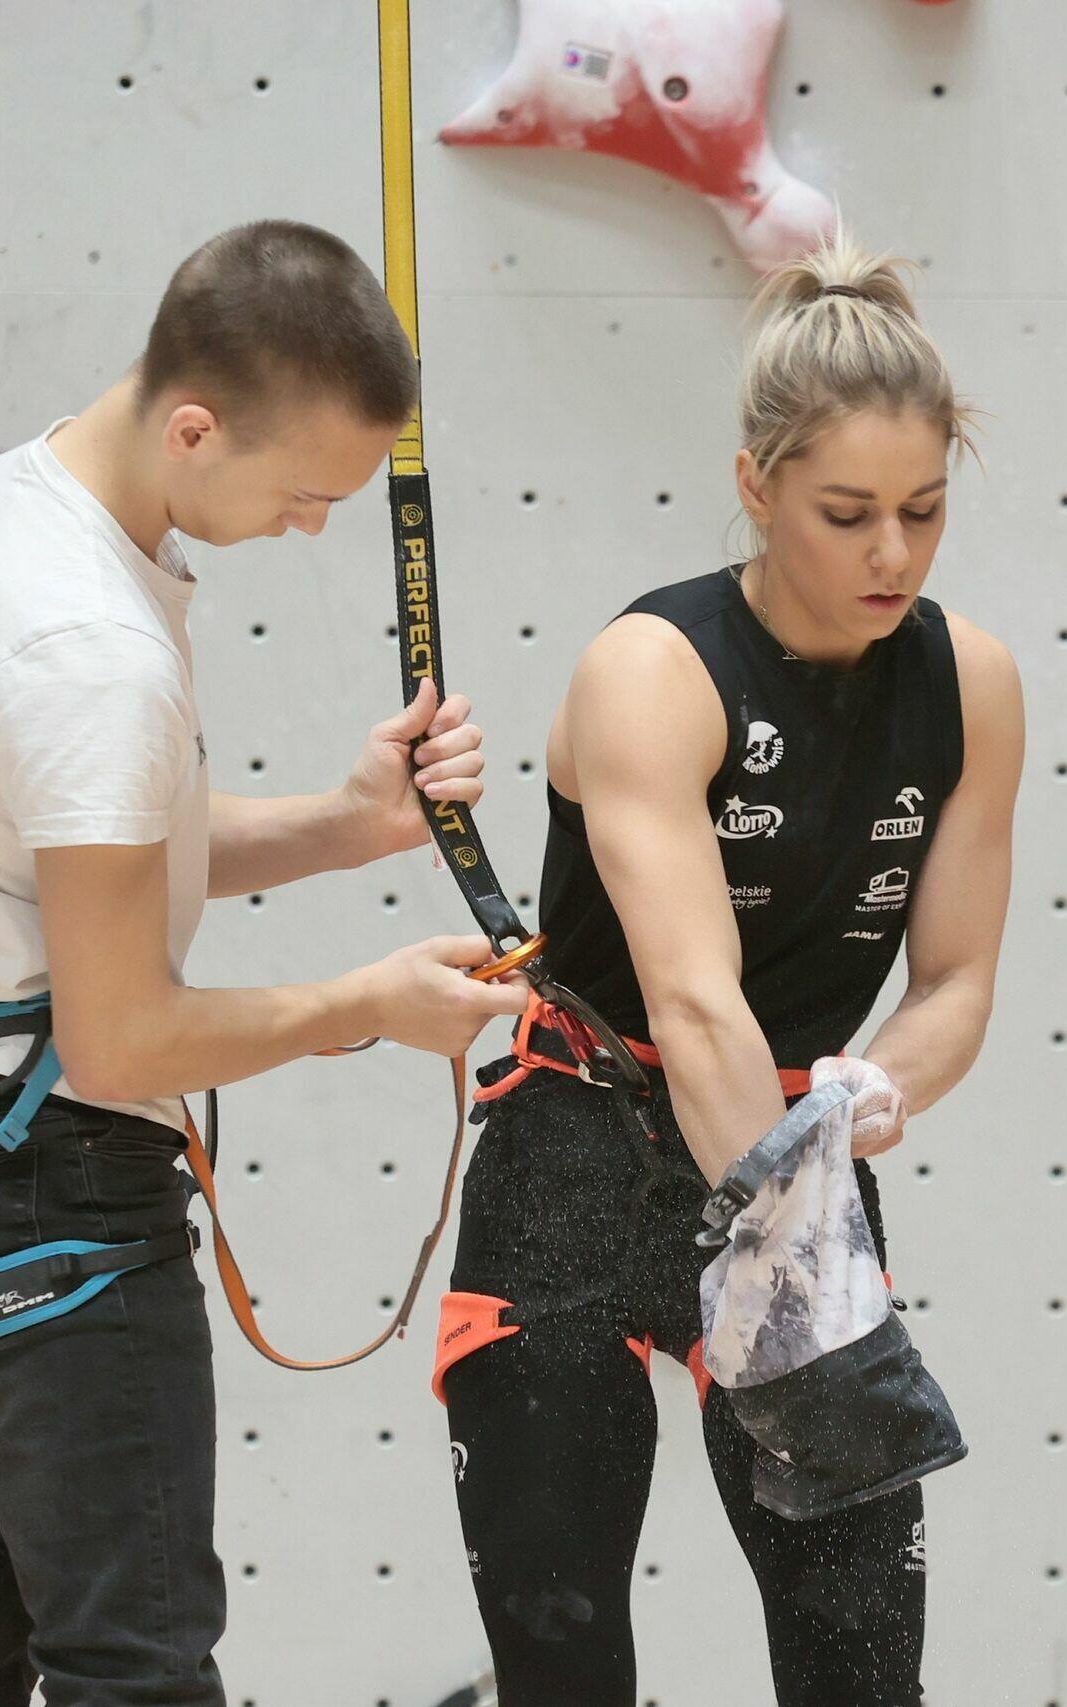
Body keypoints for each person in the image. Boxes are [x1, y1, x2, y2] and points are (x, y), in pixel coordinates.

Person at [0, 219, 528, 1707]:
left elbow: (84, 847)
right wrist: (368, 1006)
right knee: (133, 1670)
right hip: (46, 1180)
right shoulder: (89, 648)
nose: (315, 527)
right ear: (195, 429)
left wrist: (346, 822)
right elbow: (123, 1039)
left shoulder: (16, 498)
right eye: (304, 492)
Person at [435, 229, 1024, 1707]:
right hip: (584, 1155)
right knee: (564, 1660)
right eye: (848, 514)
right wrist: (789, 1223)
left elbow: (954, 982)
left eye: (924, 511)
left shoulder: (973, 682)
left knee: (862, 1665)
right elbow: (695, 1005)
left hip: (793, 1149)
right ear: (757, 486)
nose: (893, 555)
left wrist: (876, 1091)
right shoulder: (655, 669)